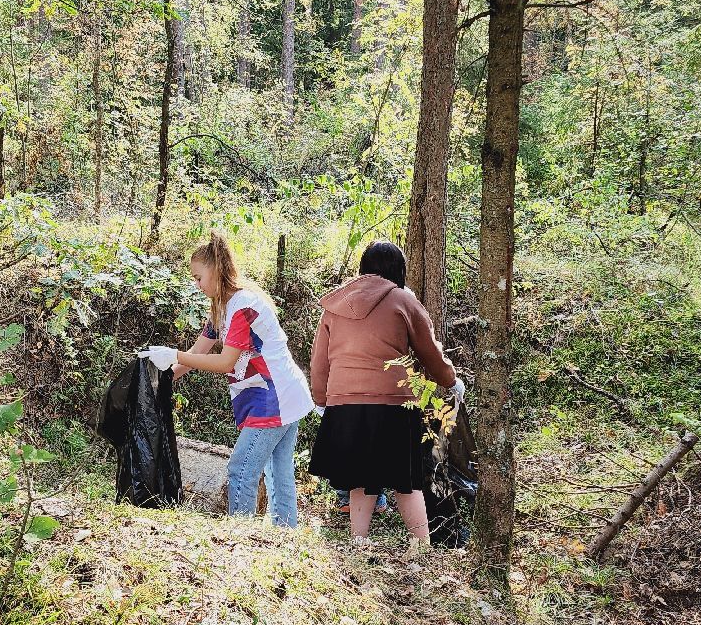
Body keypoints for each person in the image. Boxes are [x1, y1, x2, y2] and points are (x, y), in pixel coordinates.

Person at [141, 233, 314, 528]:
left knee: (241, 471)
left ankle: (240, 541)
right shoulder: (220, 308)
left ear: (216, 271)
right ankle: (286, 538)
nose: (196, 285)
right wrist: (159, 381)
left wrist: (175, 354)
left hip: (274, 398)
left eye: (198, 278)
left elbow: (224, 362)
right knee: (278, 471)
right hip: (283, 394)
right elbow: (197, 352)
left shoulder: (242, 306)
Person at [308, 240, 463, 548]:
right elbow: (430, 352)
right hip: (393, 404)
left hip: (345, 403)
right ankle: (421, 548)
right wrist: (450, 381)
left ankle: (359, 543)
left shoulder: (336, 303)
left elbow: (320, 360)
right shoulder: (402, 300)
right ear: (399, 271)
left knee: (359, 479)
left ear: (363, 268)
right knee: (406, 482)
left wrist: (322, 400)